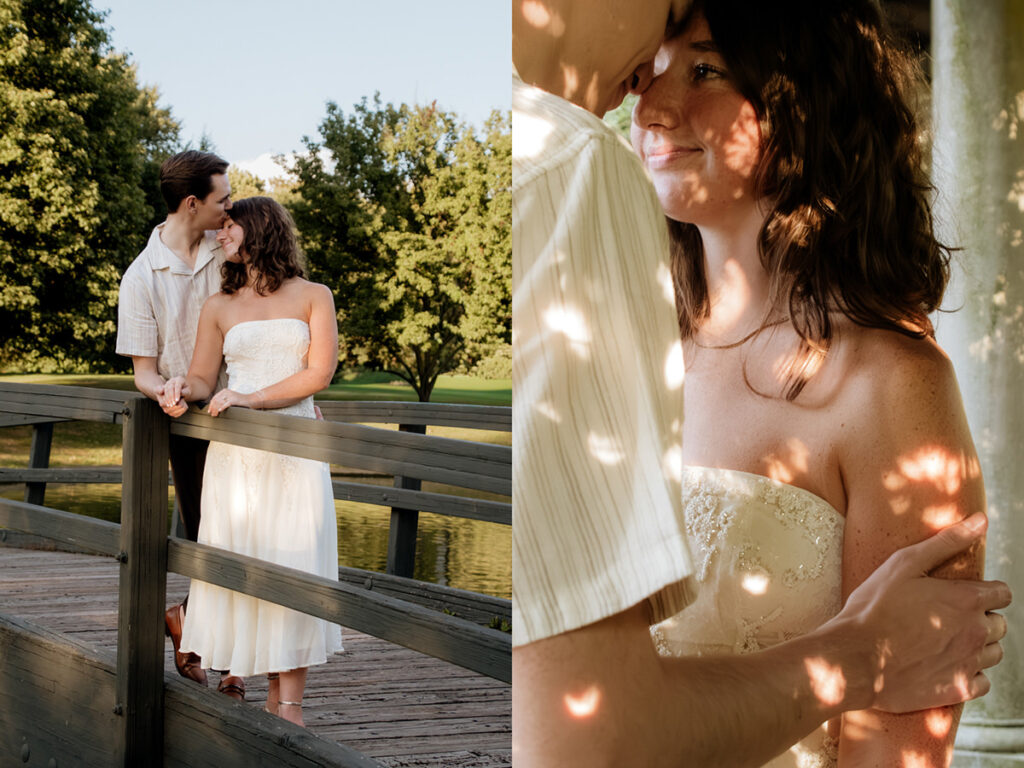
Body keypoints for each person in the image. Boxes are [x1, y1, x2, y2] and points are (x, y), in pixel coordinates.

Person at [511, 0, 1011, 765]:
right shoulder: (608, 342)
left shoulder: (891, 387)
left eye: (706, 69)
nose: (651, 104)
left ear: (806, 105)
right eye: (653, 69)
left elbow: (899, 750)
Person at [162, 196, 343, 726]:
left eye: (230, 227)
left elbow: (318, 374)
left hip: (296, 454)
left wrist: (251, 397)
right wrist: (179, 387)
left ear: (259, 228)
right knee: (244, 564)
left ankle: (288, 705)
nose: (221, 236)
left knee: (297, 565)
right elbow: (201, 378)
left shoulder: (315, 296)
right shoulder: (219, 305)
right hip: (237, 459)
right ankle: (263, 692)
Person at [116, 149, 233, 689]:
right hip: (189, 425)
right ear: (192, 203)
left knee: (250, 535)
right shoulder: (140, 278)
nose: (229, 207)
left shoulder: (229, 248)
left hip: (247, 414)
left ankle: (190, 621)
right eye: (222, 199)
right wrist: (160, 387)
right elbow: (142, 370)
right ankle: (224, 654)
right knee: (207, 534)